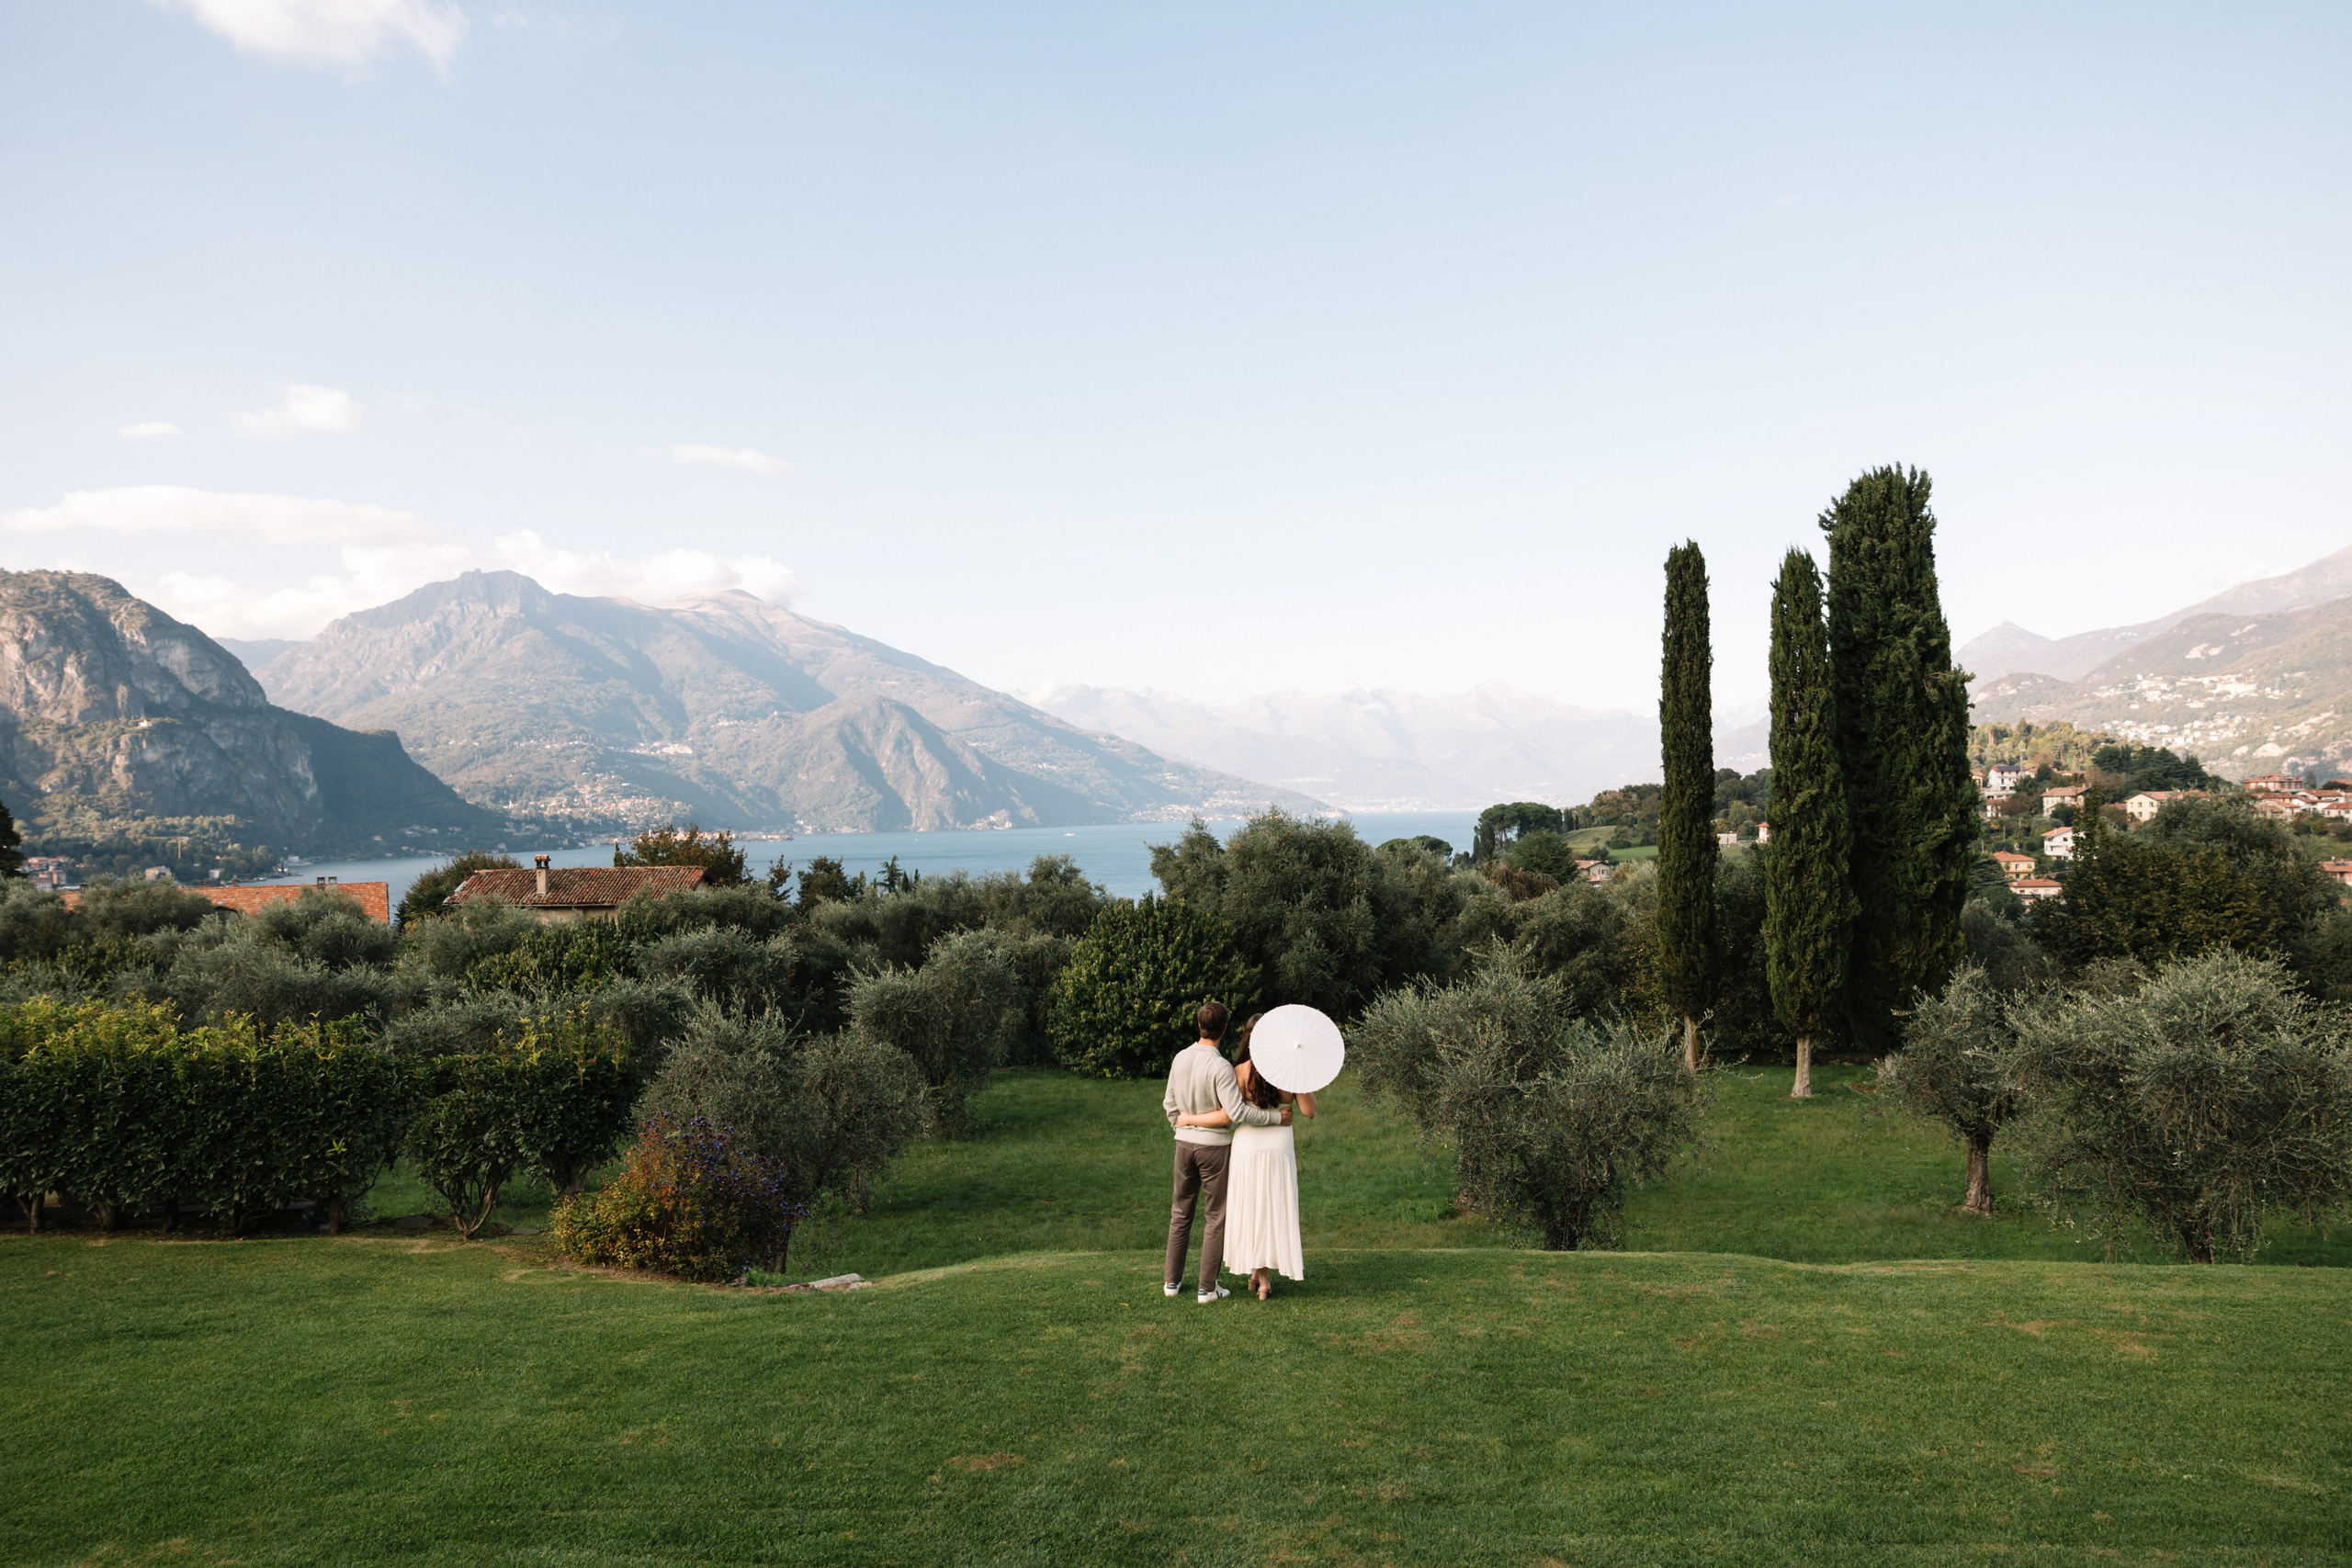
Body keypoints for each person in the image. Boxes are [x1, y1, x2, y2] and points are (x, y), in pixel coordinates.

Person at [1174, 1011, 1315, 1299]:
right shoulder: (1289, 1071)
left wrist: (1188, 1119)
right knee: (1273, 1206)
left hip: (1247, 1145)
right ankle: (1263, 1281)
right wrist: (1303, 1075)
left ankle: (1257, 1274)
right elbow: (1309, 1111)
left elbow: (1231, 1115)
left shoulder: (1238, 1071)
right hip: (1278, 1145)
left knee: (1252, 1207)